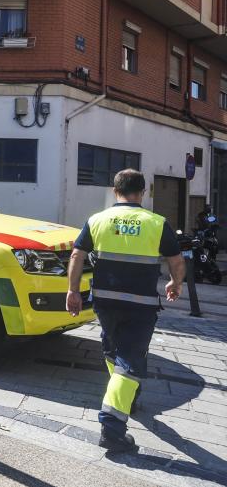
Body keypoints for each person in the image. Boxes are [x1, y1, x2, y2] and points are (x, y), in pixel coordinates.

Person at [66, 169, 186, 452]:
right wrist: (175, 282)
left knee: (112, 349)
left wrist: (72, 290)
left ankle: (127, 396)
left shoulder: (98, 220)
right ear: (142, 192)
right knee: (131, 359)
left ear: (115, 190)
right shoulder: (156, 222)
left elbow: (76, 255)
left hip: (105, 301)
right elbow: (176, 260)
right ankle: (112, 426)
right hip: (140, 305)